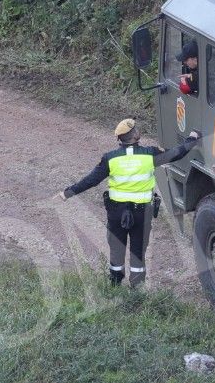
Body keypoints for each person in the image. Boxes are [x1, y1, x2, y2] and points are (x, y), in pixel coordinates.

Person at [61, 119, 200, 287]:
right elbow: (177, 153)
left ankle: (114, 285)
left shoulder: (110, 158)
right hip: (142, 213)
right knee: (138, 252)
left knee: (116, 250)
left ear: (119, 139)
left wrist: (66, 193)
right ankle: (137, 288)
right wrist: (192, 138)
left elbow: (90, 181)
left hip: (116, 213)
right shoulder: (150, 154)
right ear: (136, 135)